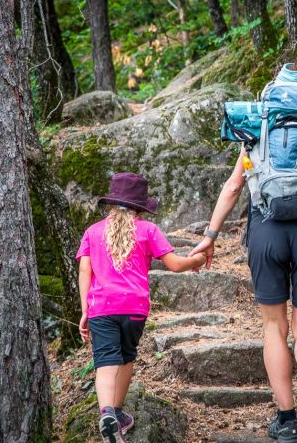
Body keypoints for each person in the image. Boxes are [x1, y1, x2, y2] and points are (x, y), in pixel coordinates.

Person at [189, 64, 297, 443]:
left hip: (266, 230)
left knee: (274, 327)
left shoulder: (258, 122)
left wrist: (210, 235)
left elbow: (233, 187)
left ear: (273, 89)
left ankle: (286, 421)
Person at [76, 173, 206, 443]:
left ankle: (107, 413)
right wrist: (198, 258)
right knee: (126, 357)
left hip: (101, 307)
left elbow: (85, 269)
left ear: (112, 203)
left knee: (105, 361)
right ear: (140, 206)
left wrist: (85, 309)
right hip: (134, 306)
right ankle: (119, 414)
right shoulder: (148, 230)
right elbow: (173, 264)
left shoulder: (93, 231)